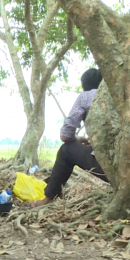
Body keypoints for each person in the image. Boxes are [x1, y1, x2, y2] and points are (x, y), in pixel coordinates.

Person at [31, 68, 109, 207]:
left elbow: (65, 136)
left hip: (107, 166)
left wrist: (77, 139)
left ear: (84, 86)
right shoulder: (117, 96)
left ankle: (48, 198)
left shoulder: (85, 97)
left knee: (65, 151)